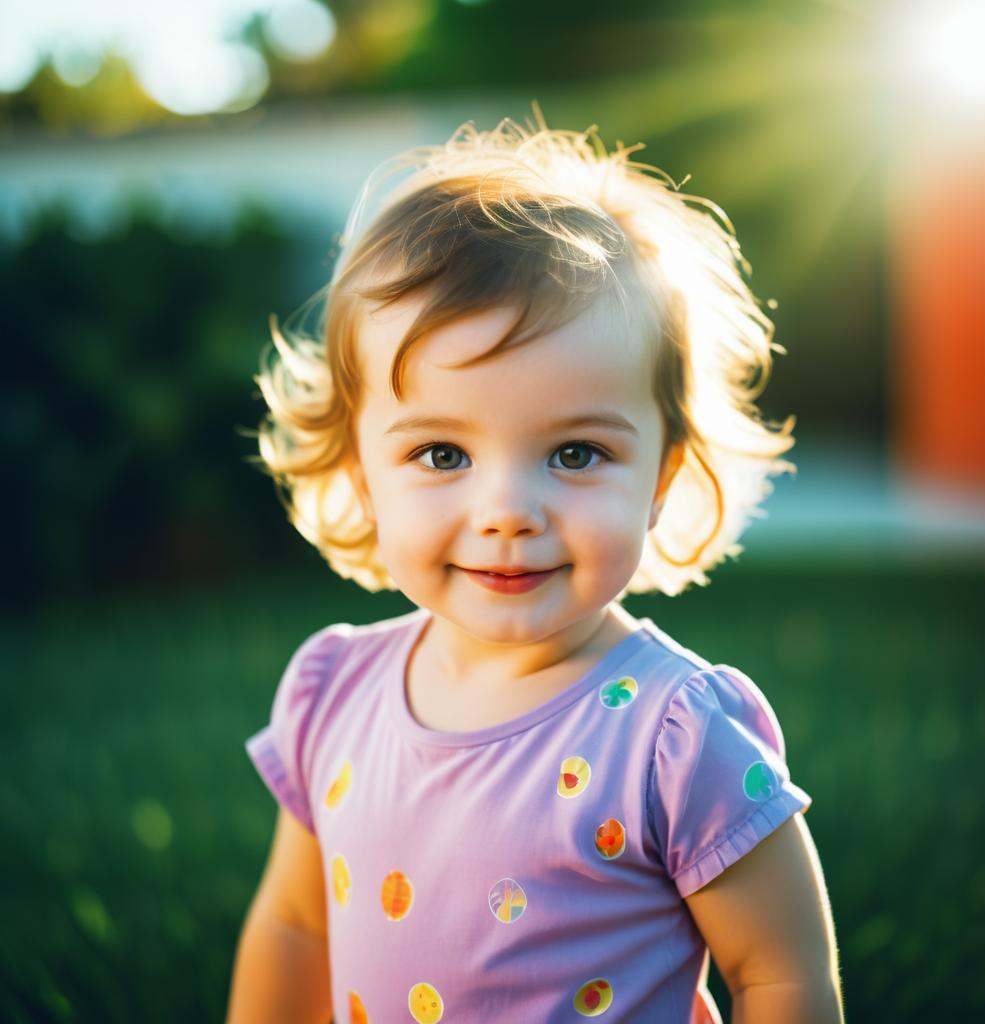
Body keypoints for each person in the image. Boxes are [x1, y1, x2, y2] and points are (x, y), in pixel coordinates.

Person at [226, 111, 844, 1024]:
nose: (509, 512)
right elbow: (294, 925)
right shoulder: (332, 695)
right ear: (362, 474)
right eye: (442, 454)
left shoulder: (675, 739)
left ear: (662, 478)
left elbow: (781, 974)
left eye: (576, 453)